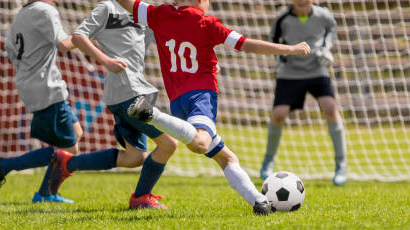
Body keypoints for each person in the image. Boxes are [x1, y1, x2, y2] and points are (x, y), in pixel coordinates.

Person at [116, 0, 311, 215]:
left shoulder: (159, 14)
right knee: (201, 142)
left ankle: (259, 202)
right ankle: (151, 114)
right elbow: (247, 44)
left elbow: (126, 3)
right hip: (201, 96)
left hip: (177, 101)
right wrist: (290, 48)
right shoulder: (206, 23)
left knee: (226, 158)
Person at [48, 0, 178, 209]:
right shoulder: (107, 8)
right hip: (127, 95)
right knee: (168, 143)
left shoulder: (142, 11)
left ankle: (67, 163)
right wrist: (106, 61)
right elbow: (79, 37)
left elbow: (169, 37)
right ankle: (141, 198)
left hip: (137, 92)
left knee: (134, 158)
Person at [0, 0, 82, 203]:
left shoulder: (22, 14)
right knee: (68, 149)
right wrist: (88, 34)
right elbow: (64, 45)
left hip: (32, 83)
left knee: (76, 133)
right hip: (46, 86)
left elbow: (10, 51)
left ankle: (46, 192)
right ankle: (4, 167)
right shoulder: (46, 10)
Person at [259, 0, 347, 185]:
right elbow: (273, 39)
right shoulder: (282, 18)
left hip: (317, 70)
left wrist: (326, 49)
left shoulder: (324, 15)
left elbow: (332, 29)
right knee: (278, 115)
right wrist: (281, 59)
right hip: (290, 73)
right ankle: (268, 161)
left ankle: (341, 165)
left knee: (330, 108)